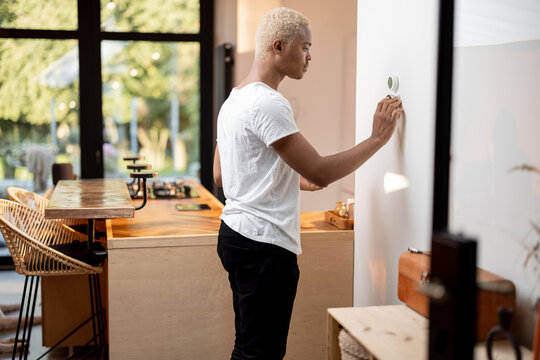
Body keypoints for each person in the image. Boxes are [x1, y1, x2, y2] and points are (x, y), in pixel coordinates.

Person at [213, 7, 403, 360]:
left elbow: (223, 175)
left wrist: (289, 181)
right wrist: (376, 139)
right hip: (263, 245)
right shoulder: (268, 103)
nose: (310, 56)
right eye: (305, 47)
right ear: (278, 46)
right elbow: (320, 172)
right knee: (262, 353)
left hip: (235, 237)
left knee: (248, 347)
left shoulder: (235, 100)